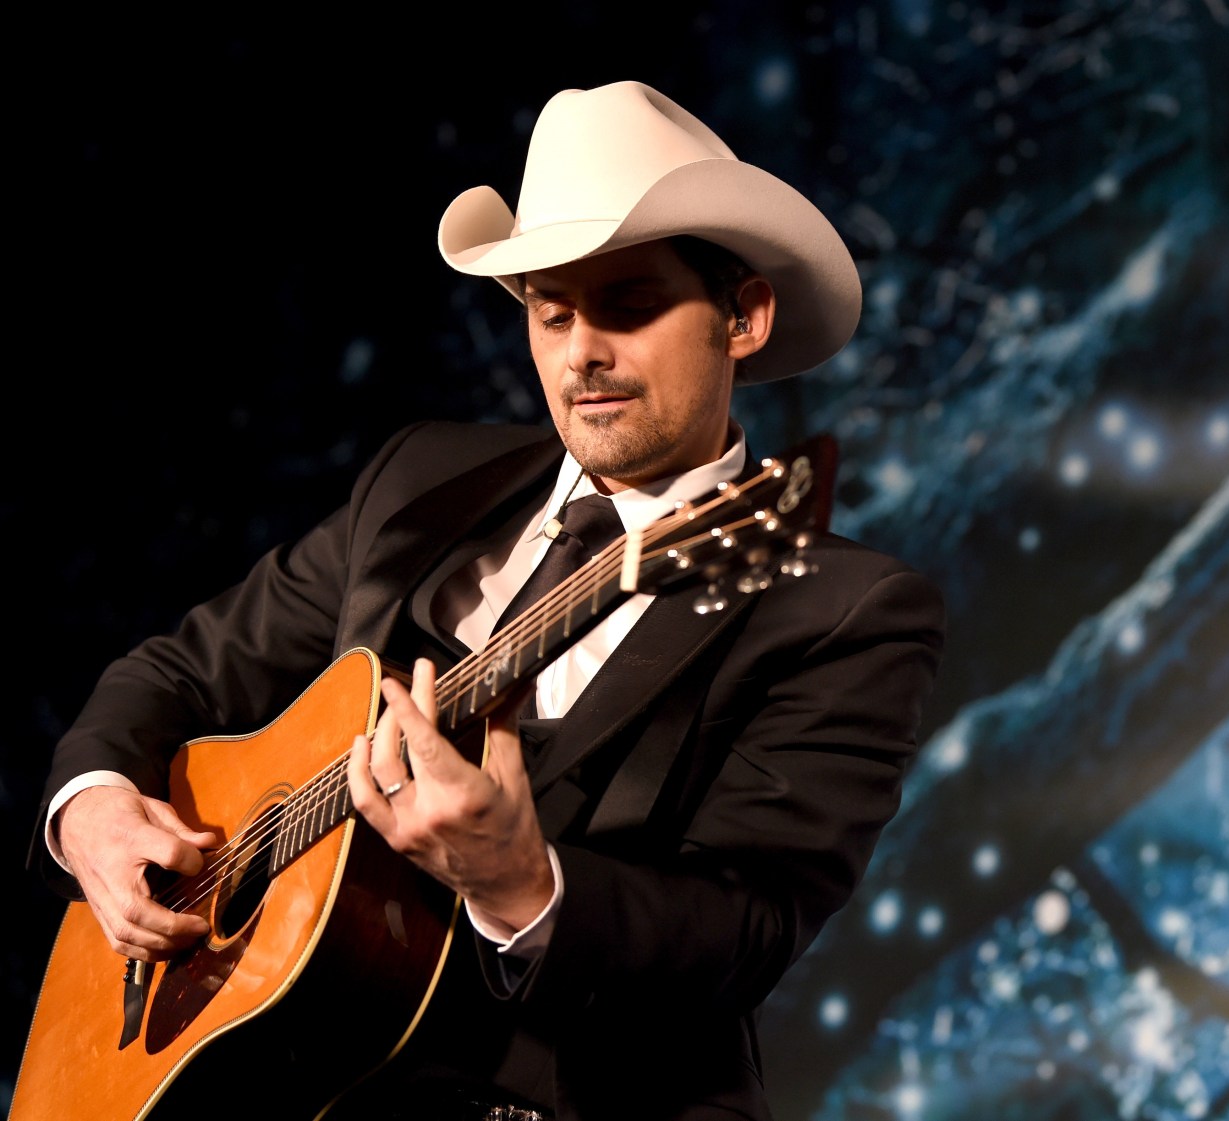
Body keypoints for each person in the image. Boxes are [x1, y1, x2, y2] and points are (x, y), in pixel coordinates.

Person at [25, 80, 944, 1121]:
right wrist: (93, 806)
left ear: (744, 316)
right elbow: (180, 672)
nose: (581, 351)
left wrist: (520, 883)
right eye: (552, 312)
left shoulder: (846, 608)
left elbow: (747, 927)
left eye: (628, 305)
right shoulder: (422, 480)